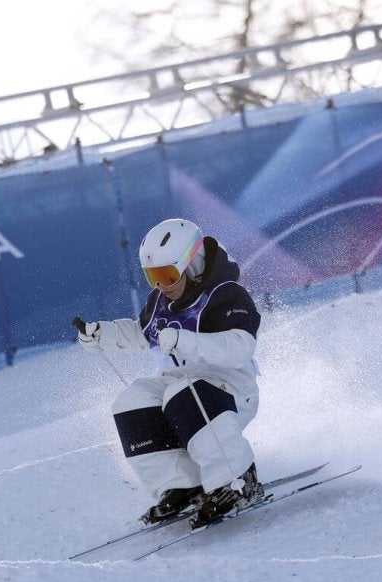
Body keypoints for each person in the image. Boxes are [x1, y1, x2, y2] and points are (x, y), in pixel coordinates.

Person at [75, 217, 263, 528]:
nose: (161, 285)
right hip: (182, 386)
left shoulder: (225, 294)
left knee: (182, 393)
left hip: (230, 387)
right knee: (132, 400)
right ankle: (181, 484)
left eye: (167, 275)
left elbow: (240, 347)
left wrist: (185, 341)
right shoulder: (161, 301)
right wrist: (103, 334)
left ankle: (237, 480)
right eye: (153, 277)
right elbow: (142, 332)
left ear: (192, 264)